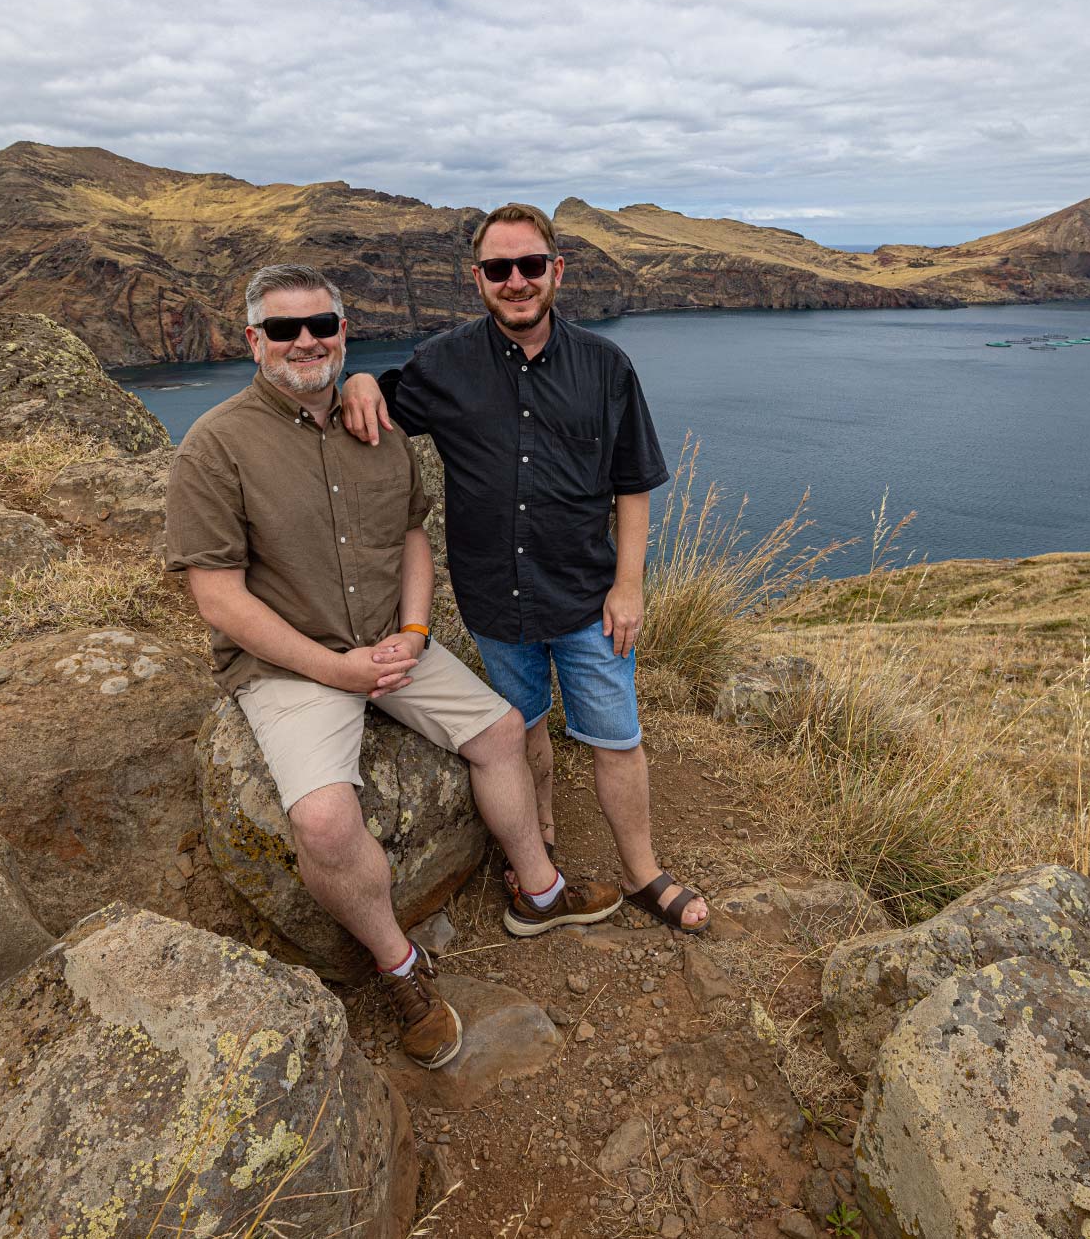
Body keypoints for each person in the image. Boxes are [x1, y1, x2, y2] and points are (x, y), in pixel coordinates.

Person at [165, 262, 624, 1071]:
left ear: (345, 333)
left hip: (390, 641)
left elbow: (413, 533)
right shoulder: (216, 446)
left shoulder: (371, 424)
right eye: (282, 329)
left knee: (502, 730)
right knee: (323, 820)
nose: (304, 341)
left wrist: (414, 632)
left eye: (321, 326)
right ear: (252, 340)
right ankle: (400, 966)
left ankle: (538, 890)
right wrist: (332, 670)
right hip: (291, 667)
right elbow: (219, 599)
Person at [339, 204, 711, 935]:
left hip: (585, 599)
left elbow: (632, 482)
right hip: (494, 596)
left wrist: (629, 585)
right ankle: (537, 833)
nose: (516, 281)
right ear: (477, 278)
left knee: (615, 736)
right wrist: (356, 380)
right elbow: (374, 405)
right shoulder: (443, 363)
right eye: (499, 269)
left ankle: (641, 871)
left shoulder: (606, 367)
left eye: (530, 265)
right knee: (523, 729)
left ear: (556, 271)